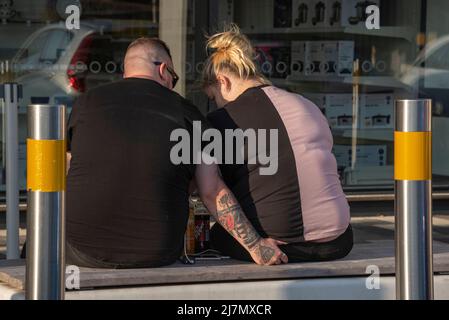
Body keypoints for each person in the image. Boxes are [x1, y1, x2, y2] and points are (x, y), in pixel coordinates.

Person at [64, 37, 287, 268]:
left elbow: (66, 170)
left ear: (126, 71)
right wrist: (256, 246)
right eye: (173, 78)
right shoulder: (188, 112)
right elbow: (211, 190)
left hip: (81, 249)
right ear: (163, 70)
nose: (172, 85)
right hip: (156, 251)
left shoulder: (85, 103)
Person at [202, 25, 353, 262]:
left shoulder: (221, 120)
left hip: (276, 243)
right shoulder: (307, 105)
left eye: (213, 97)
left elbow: (210, 191)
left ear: (223, 82)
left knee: (215, 234)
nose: (217, 105)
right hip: (337, 242)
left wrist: (254, 244)